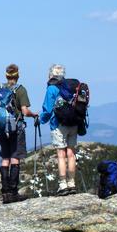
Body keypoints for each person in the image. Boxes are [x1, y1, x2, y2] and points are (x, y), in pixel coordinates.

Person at [0, 64, 37, 204]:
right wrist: (33, 114)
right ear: (17, 76)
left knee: (5, 158)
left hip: (1, 128)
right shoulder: (20, 90)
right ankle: (13, 192)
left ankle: (5, 193)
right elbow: (24, 111)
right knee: (15, 158)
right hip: (16, 128)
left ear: (6, 76)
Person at [38, 64, 78, 196]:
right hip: (74, 123)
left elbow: (47, 109)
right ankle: (72, 183)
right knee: (71, 154)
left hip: (58, 124)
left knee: (61, 154)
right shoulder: (71, 86)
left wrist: (41, 120)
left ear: (51, 74)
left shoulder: (52, 88)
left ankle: (63, 185)